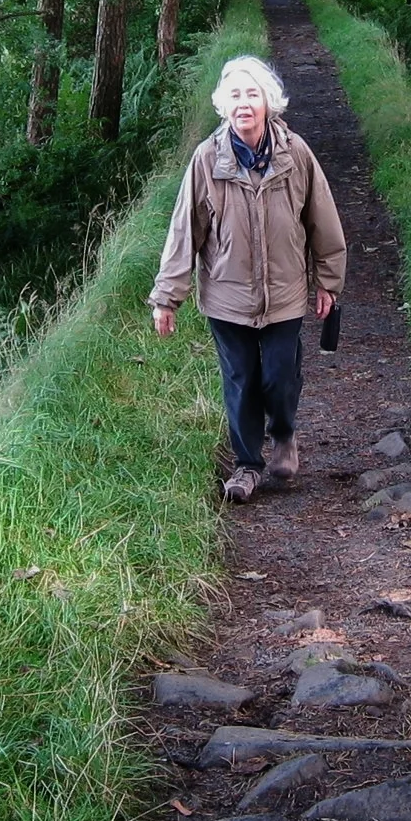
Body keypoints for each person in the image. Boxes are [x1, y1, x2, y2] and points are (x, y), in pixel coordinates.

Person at [150, 54, 347, 503]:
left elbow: (322, 219)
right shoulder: (207, 159)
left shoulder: (295, 153)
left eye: (252, 94)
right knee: (240, 381)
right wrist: (167, 297)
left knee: (279, 376)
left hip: (285, 293)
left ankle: (284, 435)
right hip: (227, 296)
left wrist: (328, 281)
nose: (244, 104)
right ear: (224, 104)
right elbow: (184, 231)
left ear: (268, 102)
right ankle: (247, 465)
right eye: (235, 95)